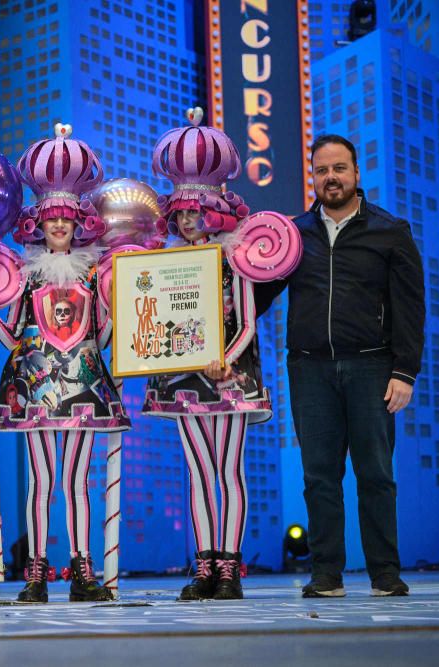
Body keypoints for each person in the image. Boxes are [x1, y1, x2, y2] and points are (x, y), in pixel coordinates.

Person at [255, 134, 425, 598]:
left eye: (339, 169)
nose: (330, 178)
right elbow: (257, 297)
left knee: (376, 474)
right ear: (312, 176)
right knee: (319, 477)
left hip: (373, 367)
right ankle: (326, 574)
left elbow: (410, 309)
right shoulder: (291, 234)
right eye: (321, 170)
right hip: (309, 369)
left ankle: (385, 574)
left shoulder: (390, 231)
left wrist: (405, 371)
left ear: (356, 173)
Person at [0, 124, 127, 603]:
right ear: (39, 224)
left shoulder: (94, 274)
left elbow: (103, 337)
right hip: (35, 387)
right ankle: (35, 572)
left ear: (78, 225)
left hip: (84, 386)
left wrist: (119, 308)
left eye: (66, 220)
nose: (58, 227)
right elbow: (11, 335)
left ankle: (82, 571)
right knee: (42, 479)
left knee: (75, 480)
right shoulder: (25, 276)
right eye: (51, 219)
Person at [142, 110, 272, 600]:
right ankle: (204, 566)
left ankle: (230, 570)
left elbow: (248, 320)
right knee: (199, 469)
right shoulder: (166, 264)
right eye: (180, 213)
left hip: (231, 372)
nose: (188, 220)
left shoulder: (234, 258)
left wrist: (227, 359)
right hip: (183, 375)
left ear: (214, 211)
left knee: (229, 468)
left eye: (196, 212)